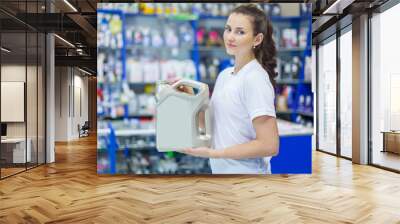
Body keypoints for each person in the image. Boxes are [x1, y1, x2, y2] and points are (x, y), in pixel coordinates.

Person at [178, 4, 279, 174]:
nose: (230, 37)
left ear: (257, 39)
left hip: (248, 180)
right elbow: (214, 125)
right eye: (228, 29)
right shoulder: (225, 75)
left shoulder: (255, 78)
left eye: (240, 32)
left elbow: (269, 145)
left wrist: (216, 153)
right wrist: (188, 97)